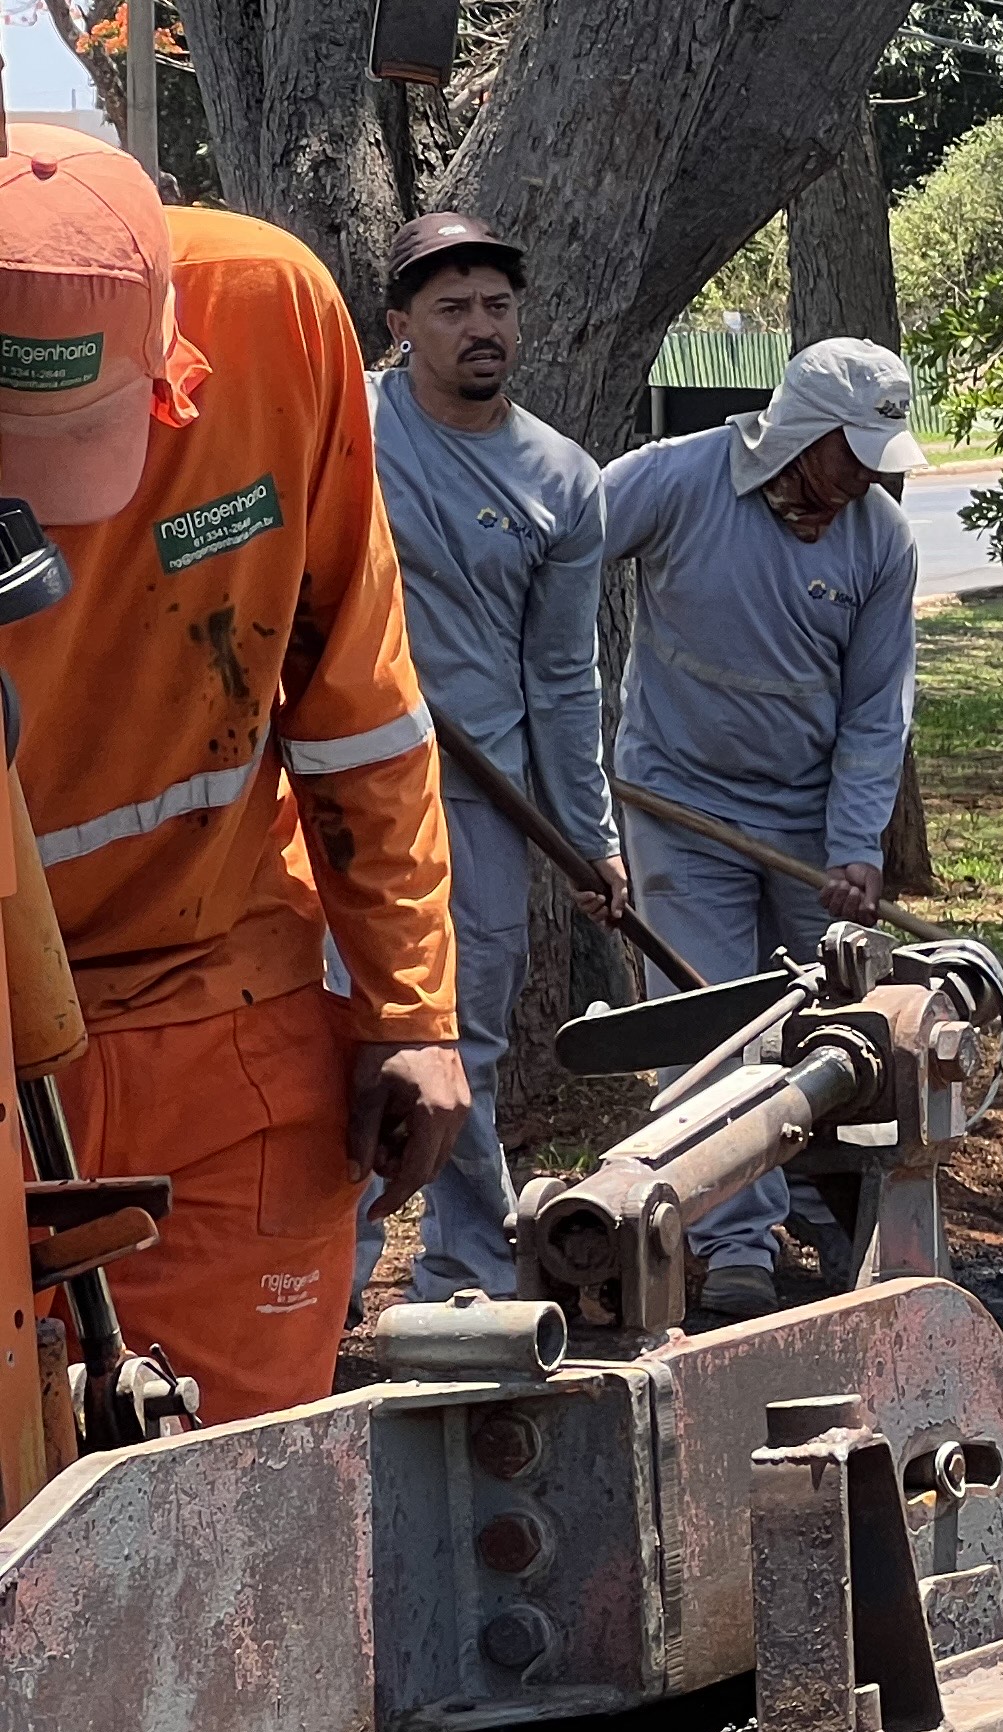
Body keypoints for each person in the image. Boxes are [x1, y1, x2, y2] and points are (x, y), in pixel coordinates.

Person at [0, 125, 464, 1419]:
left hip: (217, 1012)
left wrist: (410, 1007)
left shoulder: (270, 318)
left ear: (166, 355)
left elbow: (355, 700)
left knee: (236, 1503)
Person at [599, 338, 922, 1321]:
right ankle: (734, 1244)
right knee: (708, 1027)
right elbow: (557, 554)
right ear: (798, 432)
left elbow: (876, 711)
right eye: (848, 453)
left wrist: (855, 844)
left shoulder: (880, 541)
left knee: (814, 1023)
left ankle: (831, 1213)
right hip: (677, 807)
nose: (863, 476)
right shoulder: (676, 483)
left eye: (877, 458)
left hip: (804, 821)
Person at [356, 208, 623, 1302]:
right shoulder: (345, 427)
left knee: (464, 1043)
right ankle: (331, 1276)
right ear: (402, 323)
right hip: (344, 783)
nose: (481, 327)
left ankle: (466, 1276)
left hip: (483, 804)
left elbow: (565, 677)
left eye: (498, 307)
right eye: (453, 306)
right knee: (343, 1034)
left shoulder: (563, 481)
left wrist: (586, 840)